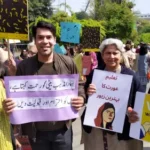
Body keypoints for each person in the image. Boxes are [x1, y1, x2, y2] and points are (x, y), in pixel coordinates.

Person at [3, 21, 85, 150]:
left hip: (63, 130)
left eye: (48, 37)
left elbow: (79, 85)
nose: (45, 41)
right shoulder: (24, 66)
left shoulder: (68, 62)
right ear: (35, 41)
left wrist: (81, 97)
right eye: (40, 37)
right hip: (36, 133)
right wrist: (9, 103)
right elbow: (17, 96)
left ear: (54, 40)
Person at [81, 38, 145, 150]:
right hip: (97, 131)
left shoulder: (131, 76)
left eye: (115, 53)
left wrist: (135, 113)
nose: (111, 57)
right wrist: (87, 92)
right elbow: (84, 97)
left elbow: (141, 102)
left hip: (122, 130)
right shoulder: (95, 74)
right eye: (108, 53)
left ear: (121, 55)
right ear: (102, 55)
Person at [0, 63, 21, 150]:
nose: (1, 82)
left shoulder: (9, 98)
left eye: (2, 78)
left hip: (6, 139)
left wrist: (14, 139)